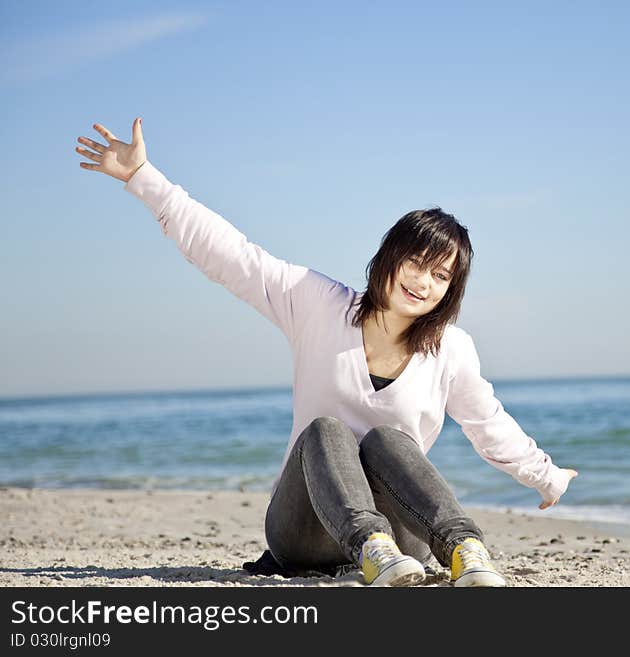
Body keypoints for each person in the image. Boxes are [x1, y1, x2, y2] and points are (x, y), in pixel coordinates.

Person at [76, 118, 579, 587]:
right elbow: (231, 254)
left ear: (451, 289)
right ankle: (370, 549)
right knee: (327, 430)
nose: (424, 282)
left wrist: (546, 477)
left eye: (441, 275)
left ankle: (465, 549)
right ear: (390, 257)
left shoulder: (450, 348)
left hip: (406, 541)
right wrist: (143, 176)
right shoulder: (318, 305)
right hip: (304, 530)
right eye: (416, 262)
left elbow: (487, 423)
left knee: (389, 439)